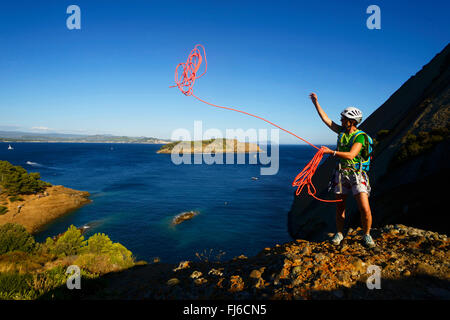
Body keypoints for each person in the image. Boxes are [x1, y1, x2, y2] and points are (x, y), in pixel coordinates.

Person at [309, 92, 376, 248]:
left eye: (343, 118)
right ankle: (339, 233)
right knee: (340, 207)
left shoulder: (361, 136)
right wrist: (315, 103)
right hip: (341, 173)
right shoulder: (341, 132)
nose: (340, 120)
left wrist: (331, 152)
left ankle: (367, 235)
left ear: (351, 121)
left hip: (357, 175)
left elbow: (352, 154)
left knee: (364, 208)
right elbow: (326, 119)